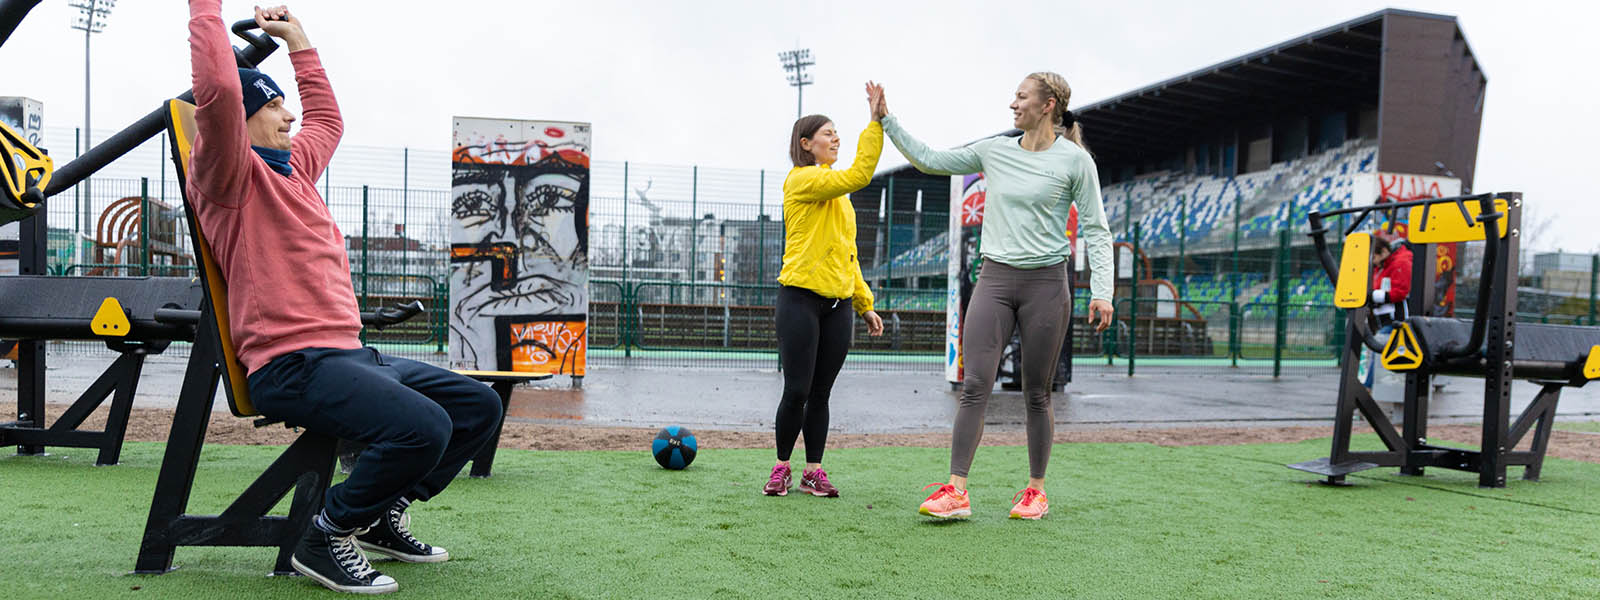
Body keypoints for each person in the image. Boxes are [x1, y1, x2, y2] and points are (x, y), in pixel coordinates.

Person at [187, 3, 501, 593]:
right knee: (424, 427)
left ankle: (380, 514)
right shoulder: (230, 177)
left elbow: (327, 120)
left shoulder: (295, 171)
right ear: (239, 122)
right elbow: (219, 94)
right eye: (272, 106)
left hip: (348, 355)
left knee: (478, 407)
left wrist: (299, 41)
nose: (289, 114)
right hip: (292, 364)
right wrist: (205, 9)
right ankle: (325, 534)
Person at [874, 73, 1115, 520]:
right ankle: (957, 491)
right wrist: (887, 120)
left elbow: (1097, 230)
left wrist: (1103, 292)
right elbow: (930, 159)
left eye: (1021, 97)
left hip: (1047, 285)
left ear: (1048, 105)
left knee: (1037, 393)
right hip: (995, 281)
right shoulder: (995, 150)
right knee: (974, 385)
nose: (1012, 104)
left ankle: (1035, 492)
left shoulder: (1076, 161)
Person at [762, 83, 887, 498]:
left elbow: (847, 254)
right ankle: (781, 467)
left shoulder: (839, 197)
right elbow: (860, 174)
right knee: (796, 389)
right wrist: (875, 123)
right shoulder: (802, 180)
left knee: (821, 392)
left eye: (837, 133)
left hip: (838, 305)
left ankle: (813, 470)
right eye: (828, 133)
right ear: (806, 143)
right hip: (799, 298)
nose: (836, 139)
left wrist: (864, 304)